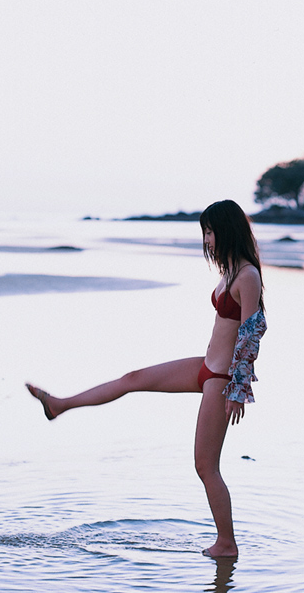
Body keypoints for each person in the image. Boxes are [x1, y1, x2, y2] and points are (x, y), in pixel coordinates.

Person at [26, 200, 267, 558]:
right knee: (132, 378)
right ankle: (60, 405)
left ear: (227, 230)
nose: (207, 240)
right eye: (205, 232)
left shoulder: (247, 275)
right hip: (205, 366)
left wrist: (238, 388)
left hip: (221, 378)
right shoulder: (231, 271)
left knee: (205, 465)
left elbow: (253, 331)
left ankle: (227, 544)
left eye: (211, 231)